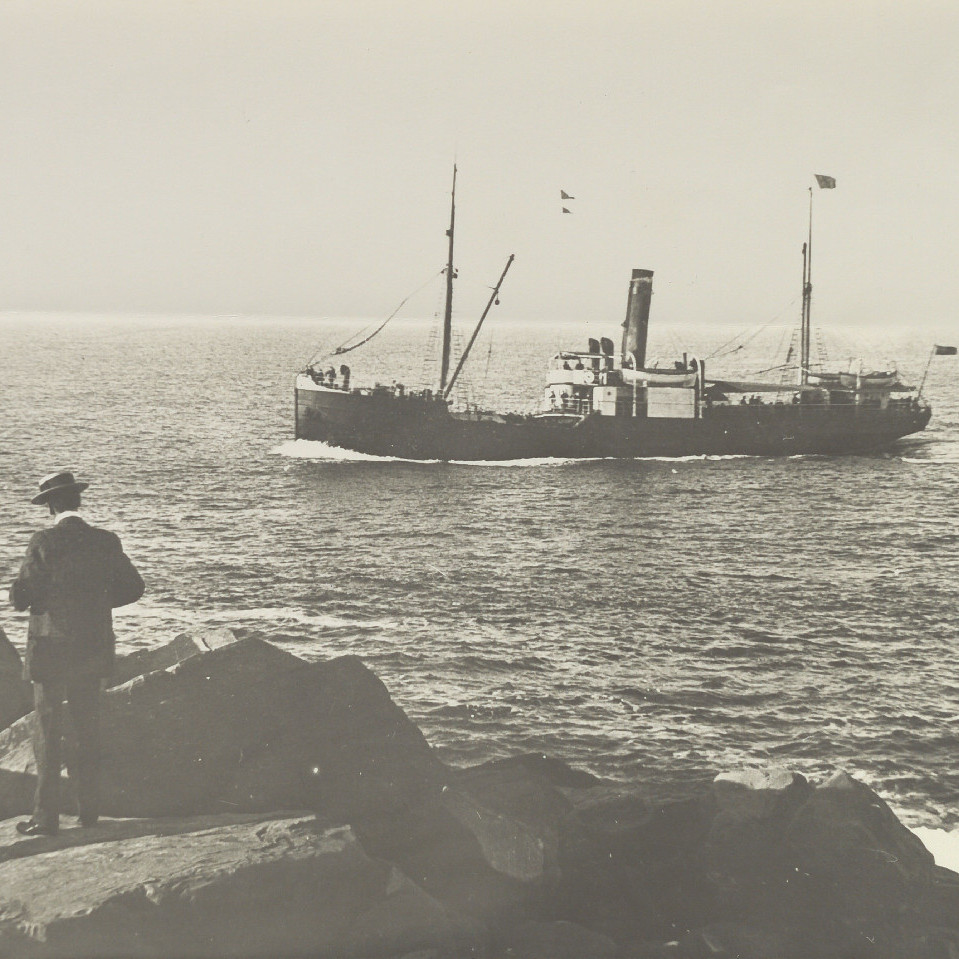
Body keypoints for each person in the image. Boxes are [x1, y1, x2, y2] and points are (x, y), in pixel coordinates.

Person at [9, 470, 144, 837]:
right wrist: (98, 604)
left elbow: (22, 598)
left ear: (50, 505)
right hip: (92, 646)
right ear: (78, 502)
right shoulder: (105, 541)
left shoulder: (43, 541)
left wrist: (22, 592)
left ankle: (46, 818)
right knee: (88, 729)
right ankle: (89, 813)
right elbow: (134, 587)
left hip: (50, 649)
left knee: (48, 733)